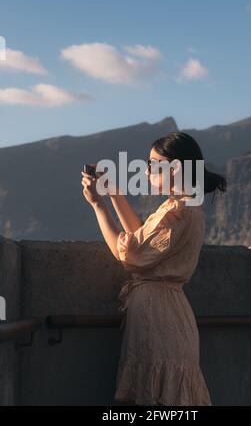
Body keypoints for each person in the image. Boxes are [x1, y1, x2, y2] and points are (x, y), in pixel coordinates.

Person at [81, 131, 227, 406]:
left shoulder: (178, 212)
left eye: (151, 164)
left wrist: (98, 206)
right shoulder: (182, 207)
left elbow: (130, 254)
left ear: (174, 168)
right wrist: (114, 195)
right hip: (166, 313)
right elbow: (142, 241)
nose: (146, 170)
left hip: (159, 320)